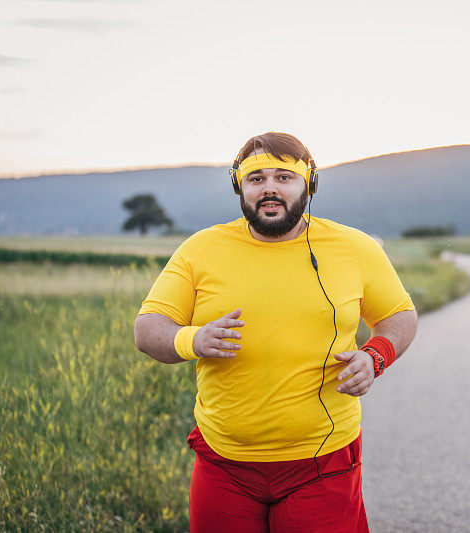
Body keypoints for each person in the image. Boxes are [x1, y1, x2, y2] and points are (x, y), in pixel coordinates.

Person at [133, 131, 418, 532]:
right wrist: (192, 339)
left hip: (322, 461)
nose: (269, 189)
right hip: (224, 464)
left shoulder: (352, 247)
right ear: (239, 187)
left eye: (284, 177)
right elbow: (147, 330)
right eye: (256, 178)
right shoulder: (201, 249)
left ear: (309, 184)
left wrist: (376, 356)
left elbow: (399, 314)